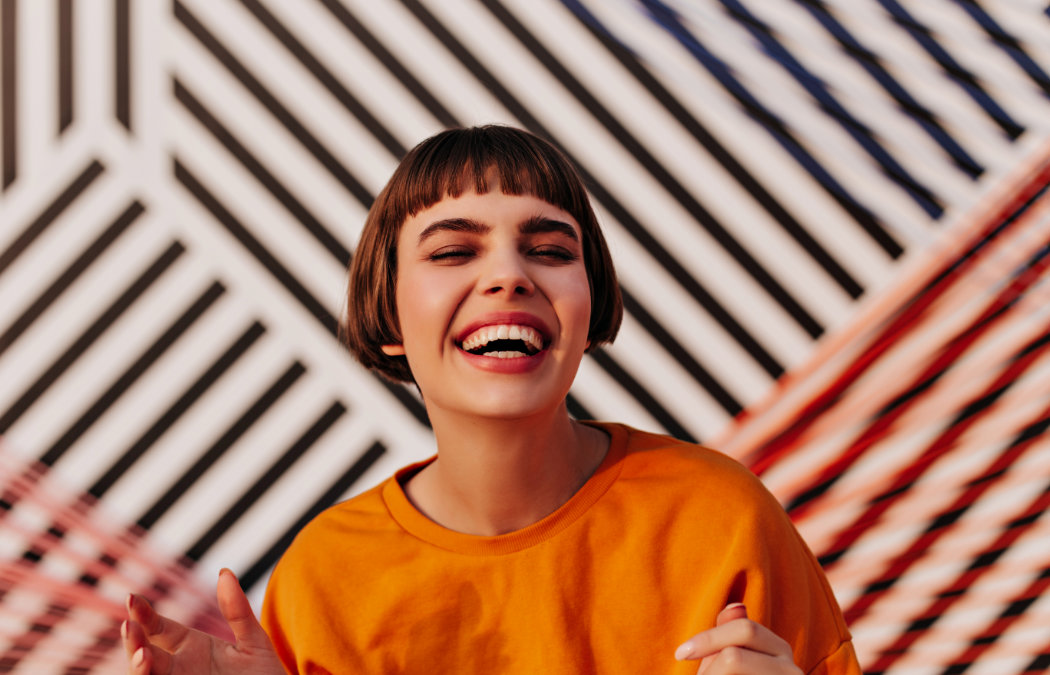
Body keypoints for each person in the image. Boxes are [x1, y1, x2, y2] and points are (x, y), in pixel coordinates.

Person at [123, 125, 861, 674]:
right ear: (388, 316)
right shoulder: (325, 579)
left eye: (550, 249)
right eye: (452, 252)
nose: (509, 275)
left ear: (590, 298)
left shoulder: (722, 516)